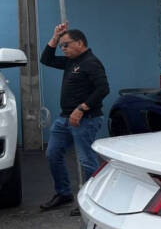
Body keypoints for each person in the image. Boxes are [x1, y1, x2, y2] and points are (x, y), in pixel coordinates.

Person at [39, 22, 109, 213]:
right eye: (61, 45)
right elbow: (46, 59)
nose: (63, 49)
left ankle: (91, 198)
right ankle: (63, 193)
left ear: (79, 43)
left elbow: (103, 89)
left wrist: (82, 109)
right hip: (64, 119)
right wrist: (55, 37)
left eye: (66, 45)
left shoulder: (91, 63)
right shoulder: (72, 61)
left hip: (86, 119)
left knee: (87, 160)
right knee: (53, 154)